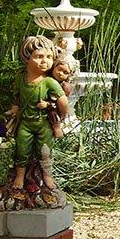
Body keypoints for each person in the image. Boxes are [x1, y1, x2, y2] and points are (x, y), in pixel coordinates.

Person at [7, 36, 68, 190]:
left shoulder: (49, 82)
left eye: (49, 57)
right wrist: (15, 108)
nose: (45, 61)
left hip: (43, 123)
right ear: (27, 57)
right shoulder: (21, 78)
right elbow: (17, 96)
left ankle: (47, 175)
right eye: (39, 56)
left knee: (45, 150)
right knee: (21, 149)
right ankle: (20, 175)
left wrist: (61, 115)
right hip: (25, 122)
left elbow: (62, 100)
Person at [47, 55, 73, 139]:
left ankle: (57, 131)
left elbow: (63, 98)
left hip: (54, 106)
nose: (61, 73)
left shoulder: (64, 85)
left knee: (54, 116)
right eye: (59, 69)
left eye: (65, 73)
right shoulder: (46, 79)